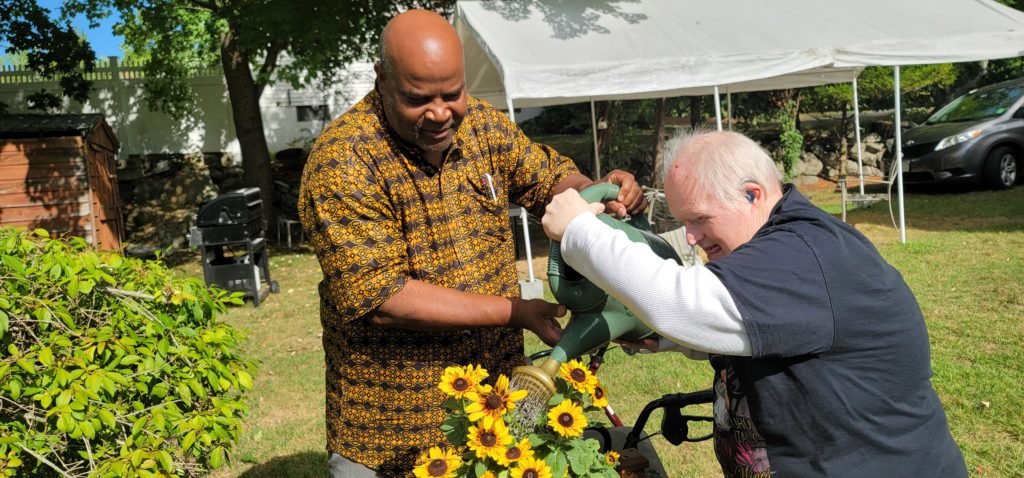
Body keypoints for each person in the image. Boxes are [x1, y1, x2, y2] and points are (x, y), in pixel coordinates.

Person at [297, 9, 646, 477]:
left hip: (496, 411)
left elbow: (546, 178)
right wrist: (514, 312)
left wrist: (596, 191)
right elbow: (382, 297)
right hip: (392, 429)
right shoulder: (343, 161)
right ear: (382, 80)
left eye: (453, 93)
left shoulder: (482, 125)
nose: (441, 113)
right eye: (419, 99)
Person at [540, 129, 967, 477]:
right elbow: (766, 335)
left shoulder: (801, 253)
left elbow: (685, 304)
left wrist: (580, 231)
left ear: (752, 194)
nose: (690, 237)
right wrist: (667, 340)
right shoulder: (777, 250)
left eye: (699, 219)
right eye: (683, 221)